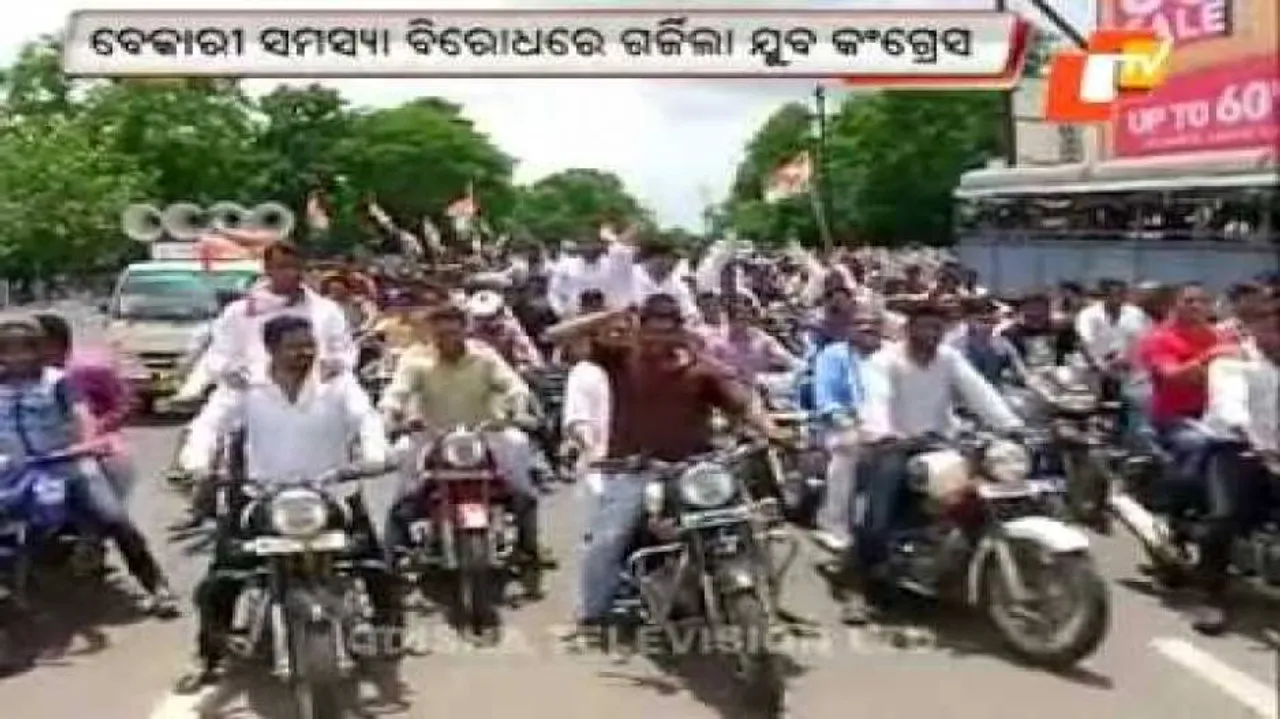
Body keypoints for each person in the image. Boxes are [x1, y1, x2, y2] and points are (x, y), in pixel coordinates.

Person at [175, 315, 398, 691]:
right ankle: (208, 657)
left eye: (309, 344)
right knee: (220, 582)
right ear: (271, 349)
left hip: (331, 496)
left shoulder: (337, 381)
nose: (304, 353)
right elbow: (209, 424)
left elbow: (366, 420)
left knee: (376, 569)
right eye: (294, 346)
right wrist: (196, 462)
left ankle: (388, 635)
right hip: (262, 497)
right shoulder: (246, 384)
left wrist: (375, 454)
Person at [545, 294, 786, 632]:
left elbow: (743, 404)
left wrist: (772, 431)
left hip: (695, 468)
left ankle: (764, 598)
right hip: (636, 469)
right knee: (607, 540)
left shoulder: (700, 367)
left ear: (679, 330)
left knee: (750, 523)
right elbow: (554, 337)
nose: (659, 339)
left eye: (667, 330)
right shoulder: (620, 359)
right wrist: (611, 314)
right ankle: (592, 615)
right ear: (640, 329)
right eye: (652, 330)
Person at [842, 301, 1023, 624]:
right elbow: (876, 400)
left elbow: (980, 392)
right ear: (909, 328)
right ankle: (859, 586)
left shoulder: (949, 359)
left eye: (937, 327)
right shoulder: (884, 362)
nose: (932, 333)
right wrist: (884, 432)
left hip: (940, 444)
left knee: (984, 490)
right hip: (893, 446)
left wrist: (1011, 425)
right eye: (925, 326)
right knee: (878, 518)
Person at [0, 315, 177, 617]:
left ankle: (156, 586)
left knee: (114, 518)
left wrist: (85, 444)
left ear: (38, 350)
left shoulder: (57, 383)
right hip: (13, 472)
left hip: (65, 465)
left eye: (25, 349)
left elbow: (84, 417)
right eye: (8, 350)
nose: (17, 357)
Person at [380, 303, 547, 580]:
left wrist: (516, 410)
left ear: (465, 331)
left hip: (485, 432)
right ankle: (394, 550)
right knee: (404, 477)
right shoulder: (415, 359)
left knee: (518, 454)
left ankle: (530, 543)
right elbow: (397, 392)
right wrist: (393, 415)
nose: (447, 340)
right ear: (431, 333)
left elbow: (513, 385)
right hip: (431, 434)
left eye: (453, 333)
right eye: (440, 334)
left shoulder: (485, 356)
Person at [1196, 309, 1280, 633]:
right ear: (1257, 328)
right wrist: (1253, 438)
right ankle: (1210, 597)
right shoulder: (1232, 361)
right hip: (1235, 447)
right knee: (1224, 517)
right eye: (1274, 327)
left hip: (1274, 453)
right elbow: (1229, 405)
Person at [204, 241, 355, 386]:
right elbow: (218, 355)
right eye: (282, 267)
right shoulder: (239, 312)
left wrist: (333, 369)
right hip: (250, 395)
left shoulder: (327, 311)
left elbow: (345, 352)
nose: (292, 273)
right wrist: (233, 374)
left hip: (314, 395)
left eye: (296, 267)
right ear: (268, 269)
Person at [1137, 283, 1236, 503]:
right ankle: (1183, 502)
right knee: (1203, 443)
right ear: (1174, 305)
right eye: (1189, 301)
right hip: (1175, 418)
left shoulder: (1219, 336)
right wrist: (1207, 357)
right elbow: (1171, 376)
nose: (1196, 306)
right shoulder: (1158, 338)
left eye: (1202, 301)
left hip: (1219, 415)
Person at [32, 313, 135, 499]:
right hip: (39, 451)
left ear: (61, 345)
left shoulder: (90, 371)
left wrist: (100, 427)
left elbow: (126, 403)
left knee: (107, 504)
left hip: (97, 450)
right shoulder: (16, 380)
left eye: (40, 345)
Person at [810, 313, 871, 553]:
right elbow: (826, 399)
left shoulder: (889, 356)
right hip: (841, 425)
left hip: (887, 427)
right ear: (850, 329)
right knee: (849, 448)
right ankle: (833, 525)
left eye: (874, 327)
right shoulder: (833, 355)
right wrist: (844, 419)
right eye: (862, 325)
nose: (868, 331)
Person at [703, 292, 802, 389]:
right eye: (736, 314)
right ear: (726, 315)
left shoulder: (761, 339)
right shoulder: (715, 342)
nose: (741, 318)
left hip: (763, 392)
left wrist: (800, 369)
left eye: (746, 313)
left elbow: (790, 361)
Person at [999, 291, 1082, 371]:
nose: (1035, 320)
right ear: (1019, 313)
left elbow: (1072, 358)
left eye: (1040, 316)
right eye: (1030, 316)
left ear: (1048, 313)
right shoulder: (1009, 335)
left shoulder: (1061, 331)